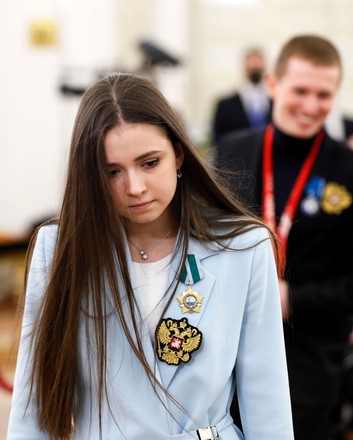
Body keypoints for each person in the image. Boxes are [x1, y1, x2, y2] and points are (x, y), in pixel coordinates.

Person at [7, 73, 294, 439]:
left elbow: (266, 399)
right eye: (112, 172)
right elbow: (34, 402)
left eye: (149, 162)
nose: (135, 187)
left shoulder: (244, 247)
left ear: (178, 153)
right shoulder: (60, 248)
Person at [215, 35, 353, 440]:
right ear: (273, 84)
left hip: (309, 357)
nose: (311, 107)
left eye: (323, 94)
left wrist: (294, 298)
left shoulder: (347, 170)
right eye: (300, 91)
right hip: (230, 348)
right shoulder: (231, 152)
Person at [212, 47, 271, 146]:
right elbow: (219, 141)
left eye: (258, 63)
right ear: (244, 66)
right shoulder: (225, 105)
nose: (255, 66)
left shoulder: (275, 101)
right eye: (251, 63)